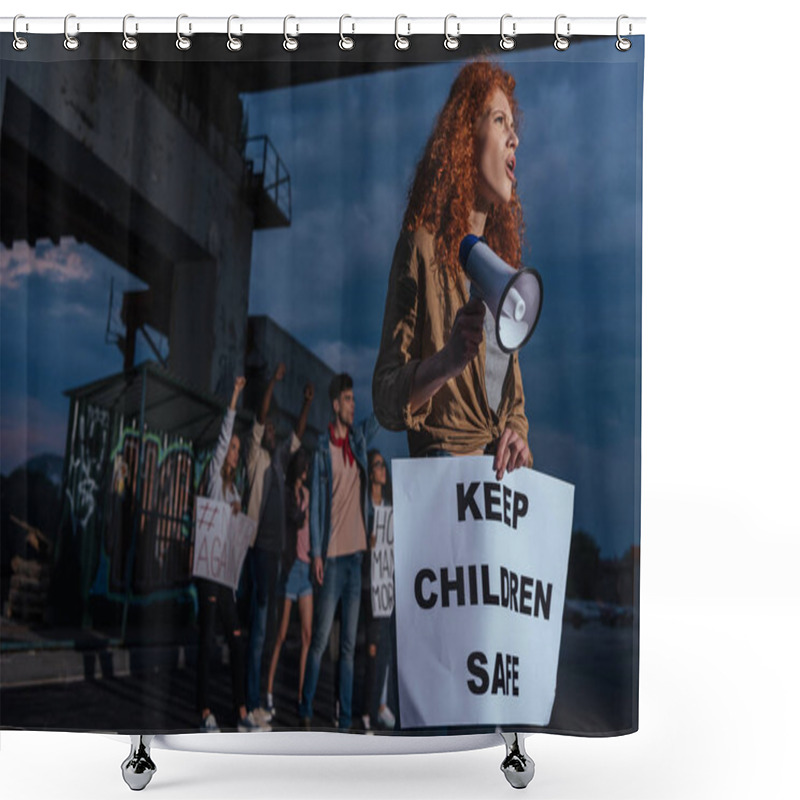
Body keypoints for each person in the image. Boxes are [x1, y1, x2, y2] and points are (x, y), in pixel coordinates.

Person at [373, 60, 532, 476]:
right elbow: (386, 397)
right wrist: (445, 362)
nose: (514, 138)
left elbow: (513, 404)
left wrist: (516, 434)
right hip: (444, 481)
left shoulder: (503, 271)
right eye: (500, 121)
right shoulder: (421, 247)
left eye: (513, 126)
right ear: (465, 138)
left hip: (495, 487)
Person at [298, 373, 379, 730]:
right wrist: (316, 552)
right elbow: (316, 503)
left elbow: (380, 417)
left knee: (348, 648)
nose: (353, 404)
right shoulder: (322, 449)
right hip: (331, 557)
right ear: (335, 405)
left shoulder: (358, 440)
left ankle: (344, 720)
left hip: (357, 556)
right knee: (319, 642)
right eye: (347, 399)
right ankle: (304, 709)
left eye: (353, 399)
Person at [244, 363, 314, 726]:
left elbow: (298, 436)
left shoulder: (282, 462)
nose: (272, 431)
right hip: (258, 550)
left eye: (274, 429)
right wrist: (271, 381)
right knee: (259, 628)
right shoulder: (256, 457)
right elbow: (259, 415)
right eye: (268, 428)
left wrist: (304, 405)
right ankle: (252, 701)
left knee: (269, 630)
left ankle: (257, 698)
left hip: (278, 557)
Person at [195, 376, 259, 732]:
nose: (234, 451)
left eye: (237, 449)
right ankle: (204, 712)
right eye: (233, 448)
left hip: (225, 577)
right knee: (206, 641)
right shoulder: (214, 479)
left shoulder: (234, 489)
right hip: (208, 574)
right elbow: (222, 439)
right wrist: (234, 395)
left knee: (236, 640)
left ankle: (242, 711)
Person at [264, 448, 313, 716]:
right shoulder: (287, 496)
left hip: (306, 568)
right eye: (303, 467)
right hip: (290, 568)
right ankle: (269, 692)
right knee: (281, 634)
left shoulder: (307, 495)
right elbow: (291, 522)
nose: (305, 472)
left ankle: (301, 695)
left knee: (307, 634)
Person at [360, 449, 396, 732]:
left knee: (380, 648)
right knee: (366, 647)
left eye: (384, 465)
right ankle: (366, 711)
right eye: (378, 465)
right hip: (366, 582)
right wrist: (366, 543)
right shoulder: (366, 507)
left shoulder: (389, 506)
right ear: (370, 472)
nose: (382, 469)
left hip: (385, 584)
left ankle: (375, 708)